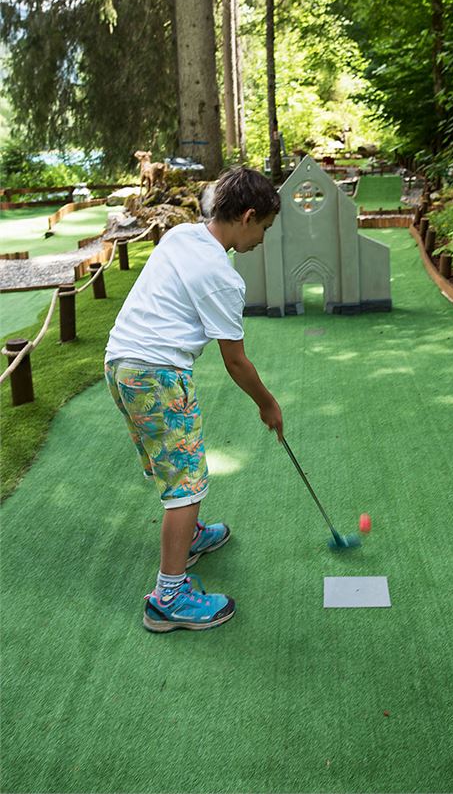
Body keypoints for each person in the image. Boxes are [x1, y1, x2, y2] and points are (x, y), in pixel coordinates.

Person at [104, 166, 283, 633]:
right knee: (187, 484)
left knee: (175, 469)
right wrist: (268, 404)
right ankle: (169, 597)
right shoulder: (223, 278)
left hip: (120, 366)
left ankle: (191, 538)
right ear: (247, 216)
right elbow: (236, 361)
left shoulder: (182, 235)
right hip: (158, 375)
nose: (262, 238)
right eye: (263, 228)